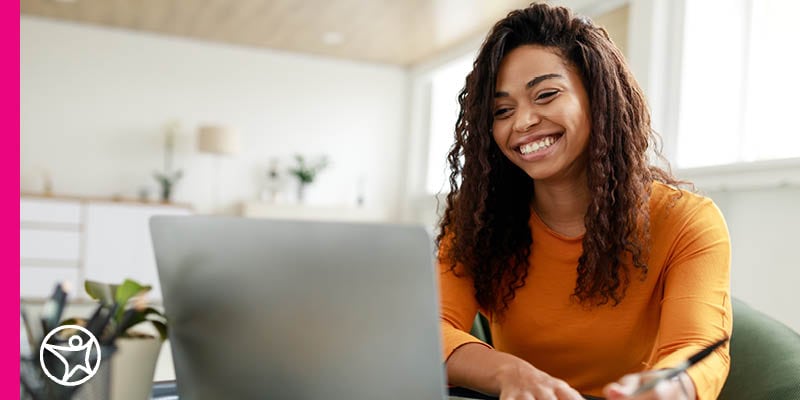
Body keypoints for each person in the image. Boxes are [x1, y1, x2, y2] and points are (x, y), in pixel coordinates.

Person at [436, 3, 731, 400]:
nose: (522, 122)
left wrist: (670, 389)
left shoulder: (687, 221)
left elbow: (698, 348)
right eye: (502, 110)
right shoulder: (480, 220)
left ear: (598, 96)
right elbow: (427, 328)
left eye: (546, 94)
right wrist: (508, 372)